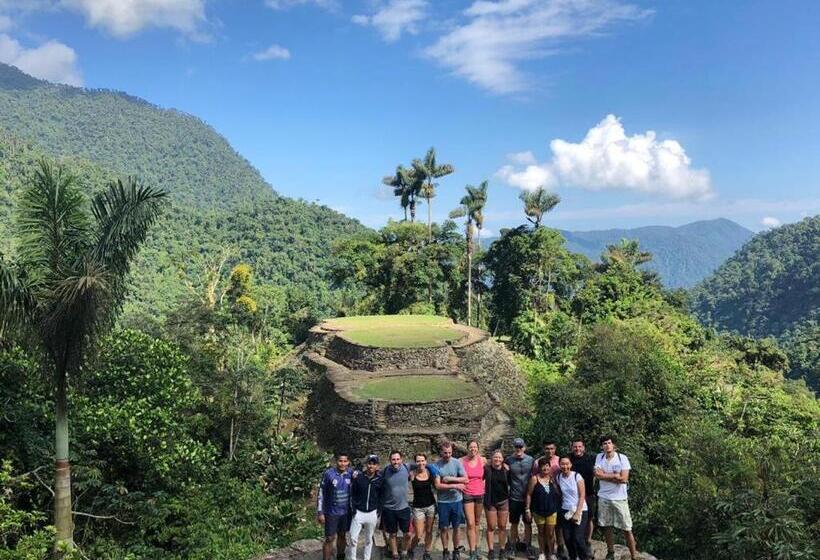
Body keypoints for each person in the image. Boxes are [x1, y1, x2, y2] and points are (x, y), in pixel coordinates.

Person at [594, 436, 638, 560]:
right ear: (602, 446)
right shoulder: (599, 457)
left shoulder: (622, 458)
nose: (607, 445)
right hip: (604, 497)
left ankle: (634, 556)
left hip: (620, 498)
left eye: (609, 443)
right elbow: (597, 475)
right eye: (604, 443)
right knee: (607, 526)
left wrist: (604, 475)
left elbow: (624, 479)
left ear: (614, 445)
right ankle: (611, 552)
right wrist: (615, 476)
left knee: (626, 528)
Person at [434, 441, 468, 560]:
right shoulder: (437, 465)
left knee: (457, 527)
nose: (447, 455)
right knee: (444, 528)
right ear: (441, 452)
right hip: (443, 502)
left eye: (449, 452)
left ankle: (456, 549)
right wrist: (455, 486)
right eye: (445, 453)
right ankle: (445, 550)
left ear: (452, 452)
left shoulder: (457, 462)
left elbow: (465, 479)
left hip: (456, 501)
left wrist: (451, 479)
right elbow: (438, 485)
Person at [317, 452, 354, 560]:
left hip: (346, 512)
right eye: (340, 461)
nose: (342, 464)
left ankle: (340, 556)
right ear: (336, 462)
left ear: (348, 462)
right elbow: (321, 493)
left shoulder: (351, 473)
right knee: (329, 538)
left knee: (342, 535)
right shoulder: (328, 474)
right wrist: (320, 512)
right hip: (331, 512)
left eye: (345, 461)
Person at [348, 454, 385, 560]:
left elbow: (382, 496)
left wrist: (379, 510)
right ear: (366, 464)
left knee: (369, 539)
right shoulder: (359, 477)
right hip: (359, 512)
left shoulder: (380, 479)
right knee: (353, 538)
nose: (371, 466)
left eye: (374, 464)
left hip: (372, 512)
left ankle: (366, 558)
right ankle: (352, 558)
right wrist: (354, 509)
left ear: (377, 466)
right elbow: (353, 493)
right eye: (369, 463)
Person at [505, 438, 535, 559]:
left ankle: (528, 546)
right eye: (516, 447)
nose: (518, 449)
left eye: (520, 447)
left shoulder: (531, 460)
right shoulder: (509, 460)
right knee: (514, 523)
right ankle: (512, 546)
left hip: (528, 498)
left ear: (524, 447)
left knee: (528, 523)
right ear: (514, 447)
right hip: (514, 497)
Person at [382, 450, 415, 560]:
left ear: (401, 459)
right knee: (392, 534)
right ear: (390, 460)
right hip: (389, 508)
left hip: (403, 508)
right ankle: (395, 554)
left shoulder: (407, 467)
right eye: (393, 459)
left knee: (408, 534)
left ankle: (404, 552)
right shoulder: (385, 470)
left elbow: (423, 464)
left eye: (397, 459)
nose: (396, 462)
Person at [532, 440, 562, 558]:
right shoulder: (536, 462)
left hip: (557, 498)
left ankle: (556, 550)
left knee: (555, 529)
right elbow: (534, 478)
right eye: (547, 448)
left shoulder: (559, 461)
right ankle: (543, 551)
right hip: (541, 498)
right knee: (542, 530)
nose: (549, 451)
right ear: (544, 449)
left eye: (552, 448)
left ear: (555, 449)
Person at [526, 458, 559, 560]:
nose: (545, 468)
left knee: (550, 533)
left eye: (547, 466)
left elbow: (558, 493)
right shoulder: (534, 479)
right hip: (538, 510)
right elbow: (529, 494)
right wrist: (527, 509)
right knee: (541, 532)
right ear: (539, 467)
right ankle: (542, 552)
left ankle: (552, 553)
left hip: (552, 510)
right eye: (543, 466)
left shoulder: (553, 478)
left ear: (550, 467)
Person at [556, 456, 588, 560]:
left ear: (570, 465)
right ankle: (572, 557)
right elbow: (559, 492)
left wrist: (578, 512)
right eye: (562, 464)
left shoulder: (577, 476)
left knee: (578, 538)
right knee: (567, 538)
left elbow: (582, 495)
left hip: (580, 509)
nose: (565, 466)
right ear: (559, 465)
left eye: (567, 464)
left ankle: (584, 557)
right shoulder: (558, 477)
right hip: (566, 510)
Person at [569, 438, 596, 558]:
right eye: (575, 447)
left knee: (589, 518)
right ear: (571, 448)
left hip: (589, 493)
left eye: (579, 446)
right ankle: (573, 543)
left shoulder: (591, 458)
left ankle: (588, 542)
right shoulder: (568, 458)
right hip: (572, 495)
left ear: (583, 447)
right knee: (571, 516)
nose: (577, 449)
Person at [409, 453, 439, 560]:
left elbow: (437, 485)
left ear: (426, 462)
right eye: (418, 461)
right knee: (418, 534)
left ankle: (427, 552)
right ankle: (410, 549)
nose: (420, 463)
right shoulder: (412, 474)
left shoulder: (430, 472)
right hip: (418, 507)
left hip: (430, 505)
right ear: (415, 462)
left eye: (422, 461)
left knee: (429, 531)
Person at [461, 440, 486, 560]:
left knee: (476, 522)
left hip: (480, 494)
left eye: (475, 447)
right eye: (471, 447)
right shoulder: (462, 461)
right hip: (468, 494)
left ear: (478, 448)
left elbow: (487, 474)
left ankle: (476, 548)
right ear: (467, 448)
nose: (473, 449)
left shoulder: (482, 460)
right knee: (470, 523)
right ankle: (472, 551)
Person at [484, 449, 511, 560]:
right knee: (491, 526)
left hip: (503, 501)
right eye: (495, 457)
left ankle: (502, 549)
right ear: (491, 458)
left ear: (503, 459)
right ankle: (490, 550)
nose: (497, 459)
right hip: (491, 501)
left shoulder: (506, 470)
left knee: (502, 526)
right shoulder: (486, 469)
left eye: (499, 457)